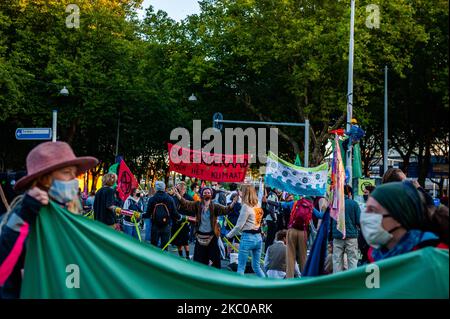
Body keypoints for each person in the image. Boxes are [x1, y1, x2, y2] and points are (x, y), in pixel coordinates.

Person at [0, 141, 98, 299]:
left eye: (75, 174)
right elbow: (3, 271)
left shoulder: (71, 217)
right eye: (67, 172)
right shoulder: (19, 217)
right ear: (45, 179)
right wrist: (25, 214)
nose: (74, 179)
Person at [361, 181, 448, 262]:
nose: (365, 216)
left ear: (398, 217)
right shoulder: (373, 254)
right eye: (366, 209)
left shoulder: (437, 257)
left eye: (372, 210)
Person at [173, 186, 238, 269]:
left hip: (212, 237)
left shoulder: (215, 206)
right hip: (200, 236)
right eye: (205, 193)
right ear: (202, 195)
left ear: (211, 195)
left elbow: (226, 209)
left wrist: (233, 202)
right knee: (199, 261)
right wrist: (178, 194)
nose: (207, 194)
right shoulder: (197, 205)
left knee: (215, 260)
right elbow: (186, 203)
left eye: (208, 193)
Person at [225, 185, 265, 277]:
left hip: (248, 238)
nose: (239, 193)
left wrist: (228, 236)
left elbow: (239, 226)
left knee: (241, 268)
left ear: (245, 193)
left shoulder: (246, 207)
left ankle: (240, 289)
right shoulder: (258, 204)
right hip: (258, 238)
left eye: (241, 191)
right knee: (256, 267)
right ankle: (266, 285)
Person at [142, 181, 186, 249]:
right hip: (166, 226)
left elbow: (148, 214)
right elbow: (174, 213)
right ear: (164, 188)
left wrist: (140, 215)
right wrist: (181, 217)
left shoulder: (152, 199)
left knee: (153, 247)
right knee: (165, 247)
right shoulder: (169, 199)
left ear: (156, 188)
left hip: (155, 226)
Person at [330, 185, 361, 273]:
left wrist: (331, 236)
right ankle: (352, 281)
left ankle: (337, 281)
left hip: (337, 236)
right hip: (351, 237)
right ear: (349, 193)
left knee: (337, 260)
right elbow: (359, 221)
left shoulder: (335, 204)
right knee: (352, 259)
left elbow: (331, 221)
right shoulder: (354, 204)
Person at [171, 182, 193, 259]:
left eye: (183, 188)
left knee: (185, 241)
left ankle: (187, 256)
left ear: (185, 189)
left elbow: (192, 209)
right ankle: (180, 256)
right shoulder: (174, 197)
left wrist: (190, 219)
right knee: (178, 242)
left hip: (185, 222)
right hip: (176, 222)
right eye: (180, 188)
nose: (182, 190)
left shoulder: (189, 198)